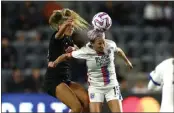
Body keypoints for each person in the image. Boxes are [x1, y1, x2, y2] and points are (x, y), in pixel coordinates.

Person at [49, 29, 133, 112]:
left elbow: (119, 51)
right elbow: (65, 56)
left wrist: (127, 62)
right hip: (95, 87)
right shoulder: (85, 51)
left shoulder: (110, 45)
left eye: (103, 42)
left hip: (111, 85)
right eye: (99, 43)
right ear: (92, 44)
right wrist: (55, 62)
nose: (103, 45)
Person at [43, 8, 90, 113]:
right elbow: (59, 34)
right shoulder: (56, 38)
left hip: (65, 80)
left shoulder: (68, 40)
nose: (71, 29)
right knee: (77, 108)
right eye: (68, 26)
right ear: (60, 26)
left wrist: (75, 49)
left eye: (72, 27)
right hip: (54, 81)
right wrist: (66, 24)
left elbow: (77, 49)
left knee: (87, 101)